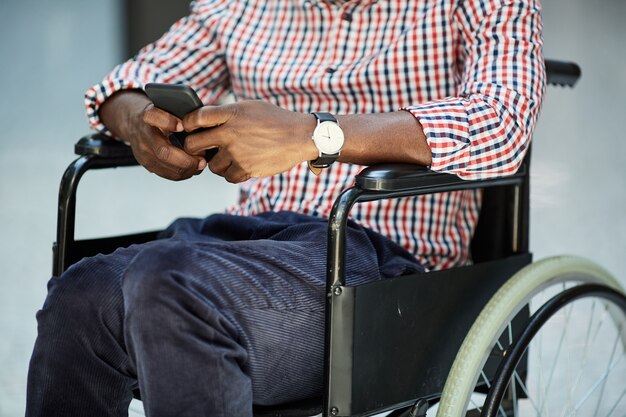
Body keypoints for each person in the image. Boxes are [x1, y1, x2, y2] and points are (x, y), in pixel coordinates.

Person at [26, 0, 545, 416]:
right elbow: (123, 87)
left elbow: (502, 121)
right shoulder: (242, 7)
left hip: (376, 259)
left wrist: (314, 135)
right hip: (247, 240)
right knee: (81, 294)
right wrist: (139, 120)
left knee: (172, 286)